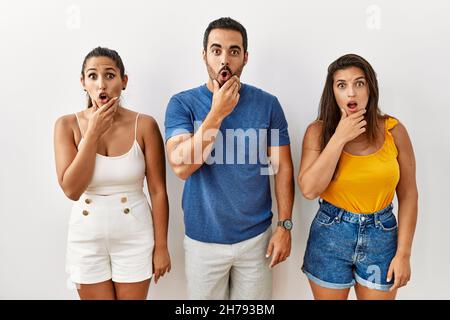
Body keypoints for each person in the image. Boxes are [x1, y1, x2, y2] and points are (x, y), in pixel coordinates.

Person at [164, 17, 294, 299]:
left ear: (245, 57)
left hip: (256, 240)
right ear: (204, 55)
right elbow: (181, 166)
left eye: (234, 51)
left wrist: (284, 225)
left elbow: (282, 168)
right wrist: (217, 113)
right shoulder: (182, 104)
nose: (225, 59)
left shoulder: (268, 104)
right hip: (202, 242)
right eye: (216, 50)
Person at [298, 53, 418, 300]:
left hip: (381, 237)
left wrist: (404, 253)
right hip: (331, 235)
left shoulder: (393, 130)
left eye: (359, 83)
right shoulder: (317, 132)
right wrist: (340, 136)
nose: (351, 92)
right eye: (342, 85)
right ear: (333, 92)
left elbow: (408, 195)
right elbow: (309, 190)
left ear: (370, 88)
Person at [54, 47, 171, 300]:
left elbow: (158, 190)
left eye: (109, 75)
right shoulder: (67, 125)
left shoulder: (145, 125)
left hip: (135, 235)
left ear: (123, 81)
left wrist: (161, 246)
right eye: (93, 76)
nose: (101, 84)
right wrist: (92, 133)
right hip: (86, 239)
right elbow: (72, 190)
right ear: (83, 82)